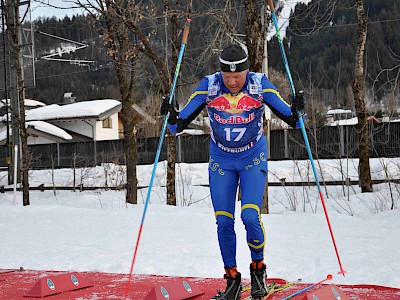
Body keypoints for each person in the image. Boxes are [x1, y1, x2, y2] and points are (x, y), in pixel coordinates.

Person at [161, 44, 304, 300]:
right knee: (224, 221)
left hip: (252, 156)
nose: (233, 82)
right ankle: (232, 279)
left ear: (247, 71)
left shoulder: (260, 84)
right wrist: (171, 116)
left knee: (250, 216)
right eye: (228, 77)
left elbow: (293, 120)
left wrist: (298, 109)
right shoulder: (210, 85)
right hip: (222, 160)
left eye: (238, 77)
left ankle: (258, 271)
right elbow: (176, 126)